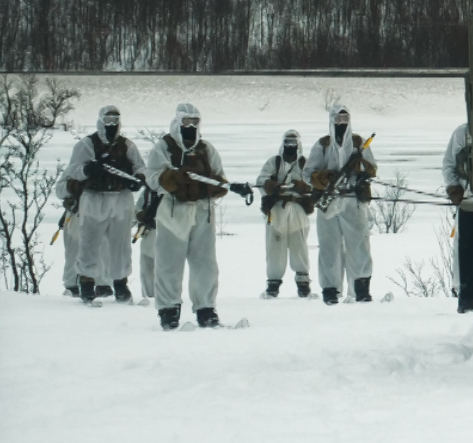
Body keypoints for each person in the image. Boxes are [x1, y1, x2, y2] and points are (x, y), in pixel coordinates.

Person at [145, 103, 248, 330]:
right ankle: (168, 310)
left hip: (202, 211)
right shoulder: (163, 147)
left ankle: (206, 308)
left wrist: (217, 187)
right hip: (173, 210)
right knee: (169, 262)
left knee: (205, 262)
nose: (190, 126)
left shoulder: (206, 149)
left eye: (194, 122)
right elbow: (151, 177)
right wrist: (171, 178)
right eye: (186, 122)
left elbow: (219, 177)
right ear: (178, 122)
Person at [61, 105, 146, 305]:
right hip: (93, 197)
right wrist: (88, 169)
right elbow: (73, 170)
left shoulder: (127, 145)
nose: (112, 124)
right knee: (89, 242)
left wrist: (138, 178)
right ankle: (87, 283)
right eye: (108, 120)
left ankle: (120, 284)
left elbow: (140, 166)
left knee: (120, 244)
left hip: (121, 198)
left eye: (115, 120)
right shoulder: (86, 144)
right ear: (100, 120)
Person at [308, 103, 377, 304]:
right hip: (328, 202)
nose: (342, 123)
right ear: (331, 120)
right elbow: (308, 173)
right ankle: (330, 290)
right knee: (329, 247)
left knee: (359, 244)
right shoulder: (322, 145)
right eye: (338, 119)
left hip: (352, 200)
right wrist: (323, 177)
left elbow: (372, 168)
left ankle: (361, 288)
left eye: (345, 119)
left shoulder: (358, 143)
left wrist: (362, 169)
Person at [257, 130, 315, 298]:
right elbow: (261, 181)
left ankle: (303, 284)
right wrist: (271, 185)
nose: (291, 146)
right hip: (276, 211)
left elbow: (316, 183)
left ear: (299, 144)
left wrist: (303, 187)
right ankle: (273, 285)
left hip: (298, 210)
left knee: (300, 246)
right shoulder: (274, 163)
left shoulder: (306, 164)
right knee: (274, 247)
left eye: (293, 143)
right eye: (288, 143)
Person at [441, 123, 472, 311]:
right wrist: (454, 188)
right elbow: (449, 165)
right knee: (463, 246)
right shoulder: (460, 133)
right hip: (468, 200)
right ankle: (463, 292)